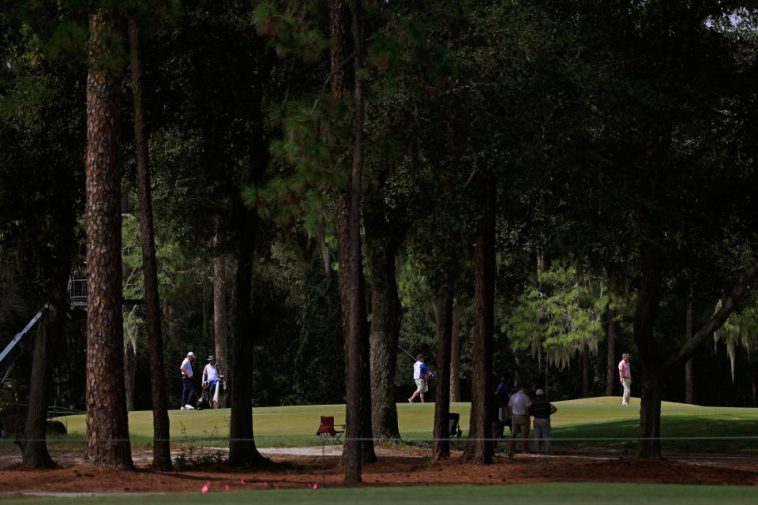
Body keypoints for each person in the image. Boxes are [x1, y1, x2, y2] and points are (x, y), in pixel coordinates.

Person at [529, 389, 557, 454]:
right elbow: (552, 409)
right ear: (543, 395)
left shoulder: (534, 402)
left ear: (536, 395)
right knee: (546, 436)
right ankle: (547, 452)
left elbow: (530, 410)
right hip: (544, 420)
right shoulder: (546, 402)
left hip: (536, 420)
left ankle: (537, 451)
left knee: (536, 436)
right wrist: (548, 413)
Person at [508, 383, 532, 453]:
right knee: (524, 435)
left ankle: (510, 449)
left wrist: (512, 414)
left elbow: (510, 407)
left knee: (513, 434)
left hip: (514, 416)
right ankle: (524, 450)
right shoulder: (526, 397)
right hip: (523, 417)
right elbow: (527, 409)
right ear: (525, 388)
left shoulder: (513, 396)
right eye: (528, 389)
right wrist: (528, 416)